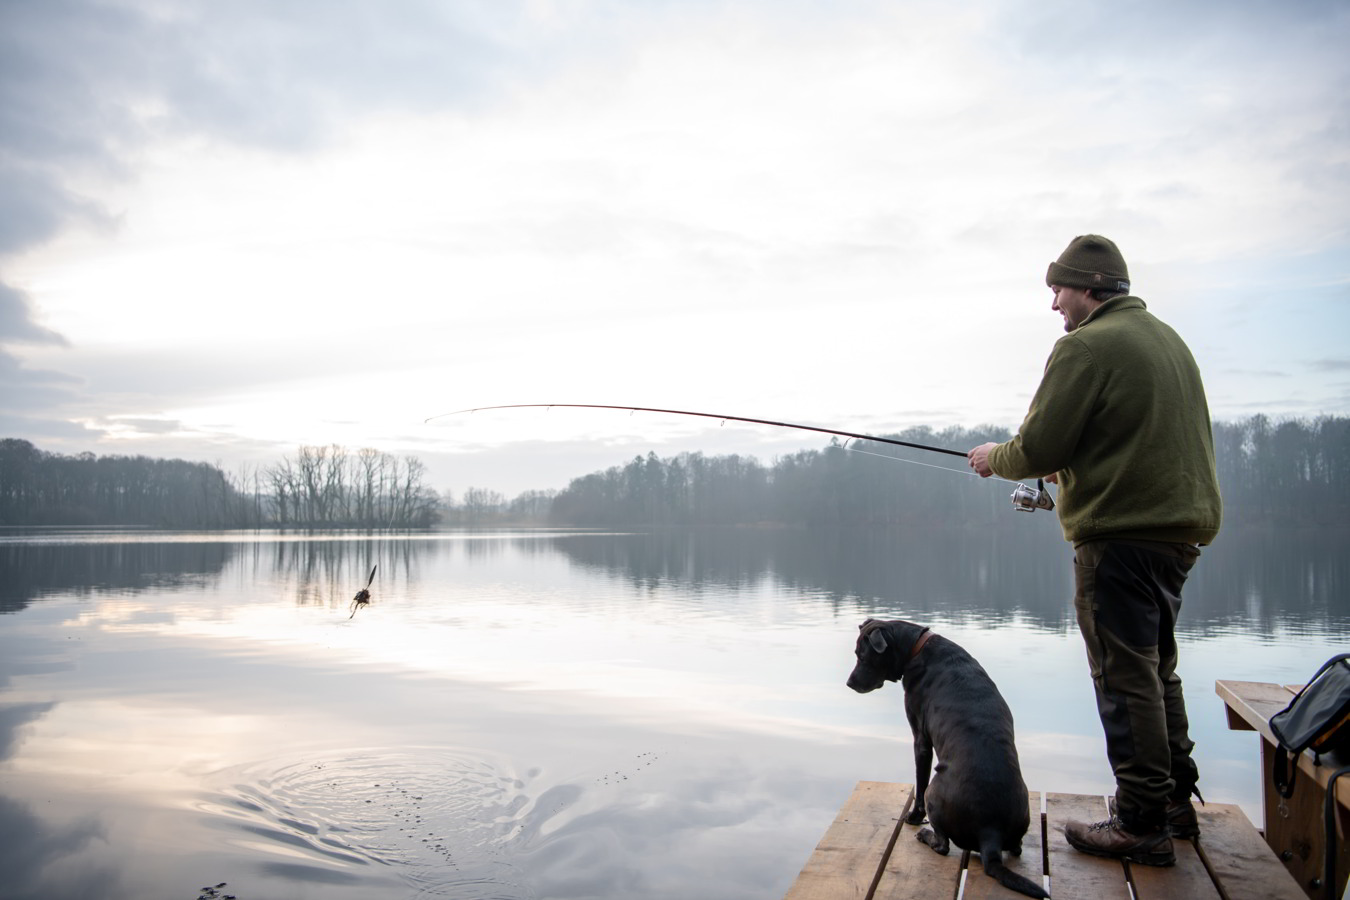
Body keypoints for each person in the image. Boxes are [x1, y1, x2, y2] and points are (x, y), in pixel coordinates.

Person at [967, 234, 1222, 867]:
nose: (1053, 303)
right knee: (1154, 668)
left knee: (1122, 675)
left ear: (1088, 287)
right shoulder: (1167, 341)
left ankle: (1139, 822)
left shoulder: (1085, 347)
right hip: (1175, 534)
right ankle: (1171, 805)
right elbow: (1126, 437)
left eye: (1057, 289)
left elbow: (1036, 448)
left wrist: (991, 459)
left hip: (1120, 538)